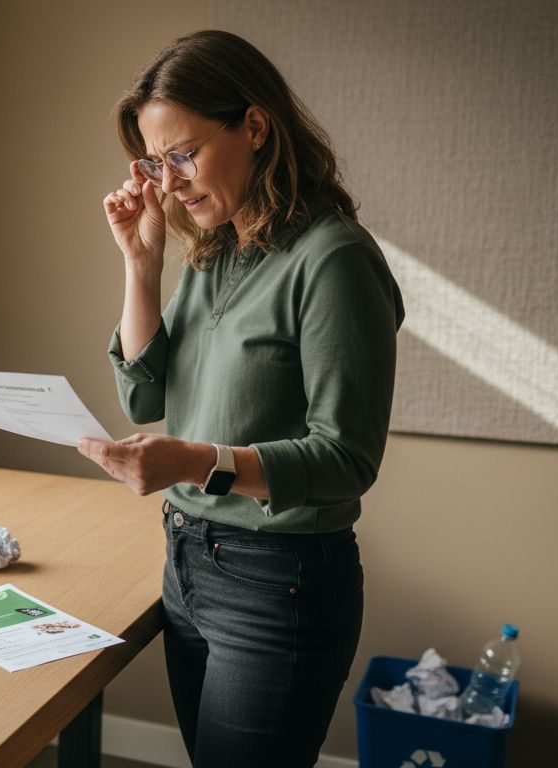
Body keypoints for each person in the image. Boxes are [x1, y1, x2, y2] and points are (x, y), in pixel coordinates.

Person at [76, 30, 404, 767]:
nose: (170, 182)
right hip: (187, 563)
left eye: (183, 154)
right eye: (156, 164)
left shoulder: (334, 260)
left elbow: (347, 458)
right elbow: (144, 397)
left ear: (255, 127)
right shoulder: (216, 251)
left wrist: (194, 461)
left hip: (278, 582)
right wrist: (142, 264)